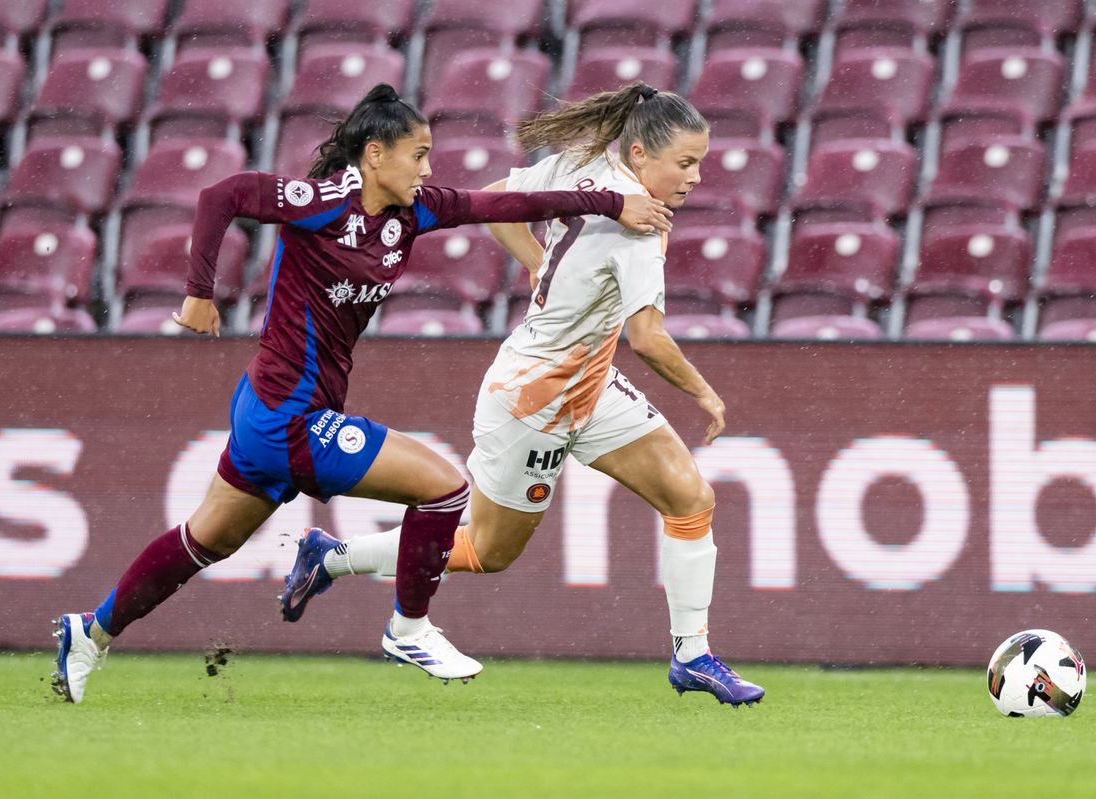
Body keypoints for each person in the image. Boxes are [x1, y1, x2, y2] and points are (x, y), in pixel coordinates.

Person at [50, 83, 673, 703]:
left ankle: (91, 632)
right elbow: (224, 194)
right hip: (285, 417)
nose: (428, 169)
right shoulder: (321, 203)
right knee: (444, 489)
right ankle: (409, 628)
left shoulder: (416, 212)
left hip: (274, 409)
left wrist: (614, 203)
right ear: (375, 155)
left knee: (203, 541)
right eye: (418, 154)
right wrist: (199, 292)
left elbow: (503, 206)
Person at [280, 83, 764, 707]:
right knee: (485, 549)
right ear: (640, 154)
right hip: (534, 395)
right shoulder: (638, 222)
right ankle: (334, 556)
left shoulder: (584, 165)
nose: (696, 178)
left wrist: (536, 259)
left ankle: (692, 656)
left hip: (590, 383)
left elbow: (501, 200)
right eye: (686, 163)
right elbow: (646, 337)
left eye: (700, 163)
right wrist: (704, 393)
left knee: (691, 497)